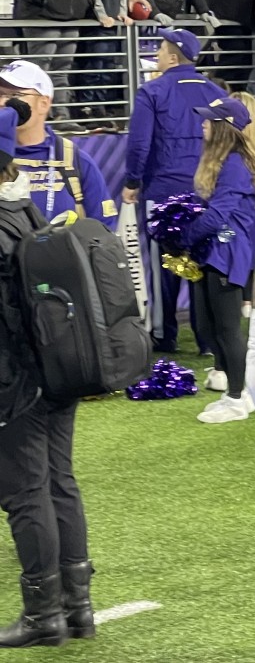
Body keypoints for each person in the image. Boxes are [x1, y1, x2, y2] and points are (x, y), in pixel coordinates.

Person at [0, 97, 97, 651]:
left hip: (16, 378)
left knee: (25, 492)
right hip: (56, 368)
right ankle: (76, 608)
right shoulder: (26, 207)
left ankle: (43, 614)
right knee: (58, 482)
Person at [124, 28, 227, 354]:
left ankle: (165, 335)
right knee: (202, 262)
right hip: (207, 189)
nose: (156, 55)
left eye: (160, 49)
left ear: (172, 56)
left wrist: (132, 181)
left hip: (164, 190)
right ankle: (207, 339)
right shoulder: (214, 90)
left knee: (166, 265)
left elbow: (139, 143)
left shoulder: (152, 90)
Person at [187, 96, 255, 423]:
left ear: (224, 128)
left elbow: (218, 216)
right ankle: (233, 392)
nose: (203, 123)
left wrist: (183, 235)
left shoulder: (234, 164)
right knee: (210, 326)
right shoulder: (221, 161)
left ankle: (240, 396)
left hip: (226, 251)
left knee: (227, 328)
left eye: (210, 120)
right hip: (212, 250)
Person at [0, 60, 116, 226]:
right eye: (0, 94)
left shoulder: (74, 160)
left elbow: (104, 230)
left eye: (14, 96)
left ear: (44, 104)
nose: (3, 102)